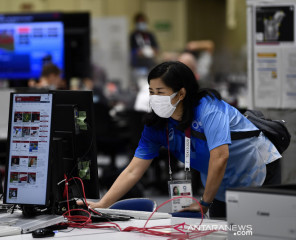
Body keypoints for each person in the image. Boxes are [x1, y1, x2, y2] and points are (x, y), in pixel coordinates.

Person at [84, 61, 281, 218]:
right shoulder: (156, 126)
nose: (154, 98)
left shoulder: (209, 109)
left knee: (252, 231)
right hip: (219, 181)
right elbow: (133, 170)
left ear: (181, 93)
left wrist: (204, 203)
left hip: (256, 167)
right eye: (151, 92)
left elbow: (220, 157)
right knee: (224, 232)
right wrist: (103, 203)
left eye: (160, 92)